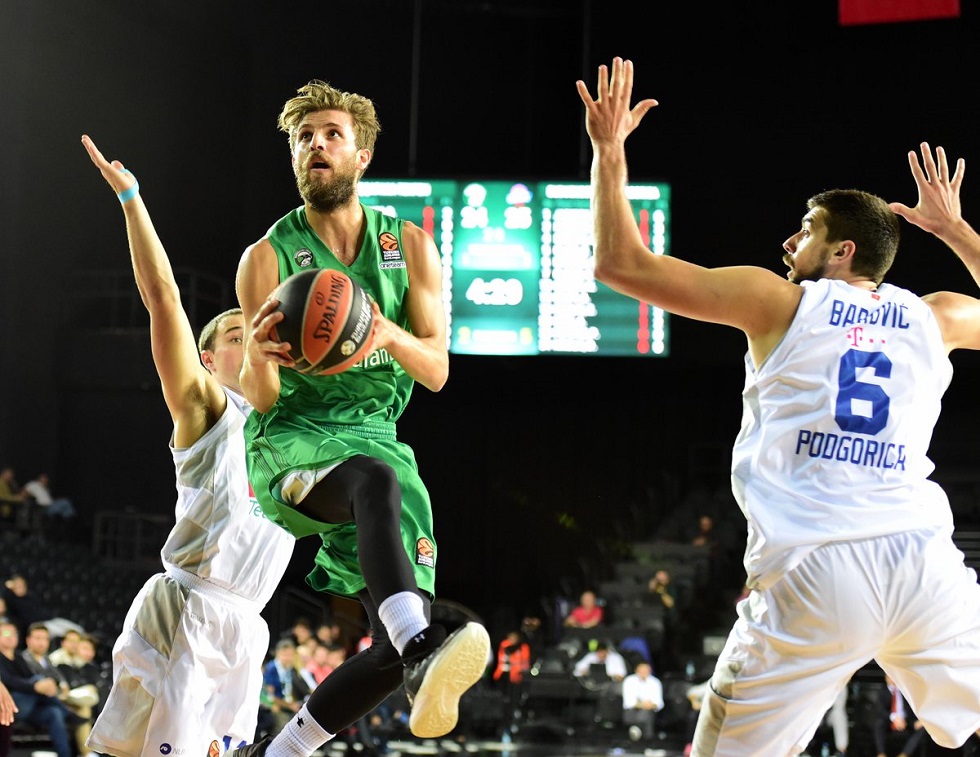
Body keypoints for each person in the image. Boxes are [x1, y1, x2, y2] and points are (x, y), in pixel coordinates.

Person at [577, 57, 980, 756]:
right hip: (923, 564)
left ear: (842, 249)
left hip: (815, 567)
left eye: (807, 228)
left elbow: (621, 264)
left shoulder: (781, 300)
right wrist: (956, 232)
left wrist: (608, 152)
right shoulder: (936, 315)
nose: (789, 241)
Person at [229, 79, 490, 756]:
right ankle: (424, 644)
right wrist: (256, 356)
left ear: (362, 154)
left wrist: (385, 334)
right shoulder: (266, 258)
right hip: (292, 442)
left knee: (392, 648)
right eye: (303, 137)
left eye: (331, 134)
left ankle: (281, 751)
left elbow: (435, 370)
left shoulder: (409, 247)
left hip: (378, 438)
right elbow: (261, 397)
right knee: (374, 486)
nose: (316, 145)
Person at [79, 135, 296, 757]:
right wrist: (131, 200)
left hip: (246, 628)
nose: (250, 335)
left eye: (255, 327)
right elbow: (163, 298)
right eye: (235, 332)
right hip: (189, 607)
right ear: (208, 359)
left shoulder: (293, 435)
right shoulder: (209, 411)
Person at [0, 619, 74, 757]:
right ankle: (69, 712)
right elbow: (9, 681)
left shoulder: (19, 657)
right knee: (38, 680)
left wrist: (41, 686)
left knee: (54, 712)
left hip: (29, 704)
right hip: (9, 706)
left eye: (14, 633)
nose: (10, 636)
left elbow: (29, 679)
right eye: (5, 633)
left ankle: (66, 755)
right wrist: (36, 686)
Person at [621, 661, 663, 742]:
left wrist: (650, 705)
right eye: (642, 670)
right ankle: (639, 736)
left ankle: (645, 738)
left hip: (649, 711)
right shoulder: (629, 681)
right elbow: (628, 702)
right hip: (632, 710)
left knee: (645, 713)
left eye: (646, 670)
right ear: (637, 671)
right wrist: (642, 704)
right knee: (640, 713)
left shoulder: (655, 682)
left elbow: (659, 703)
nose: (644, 672)